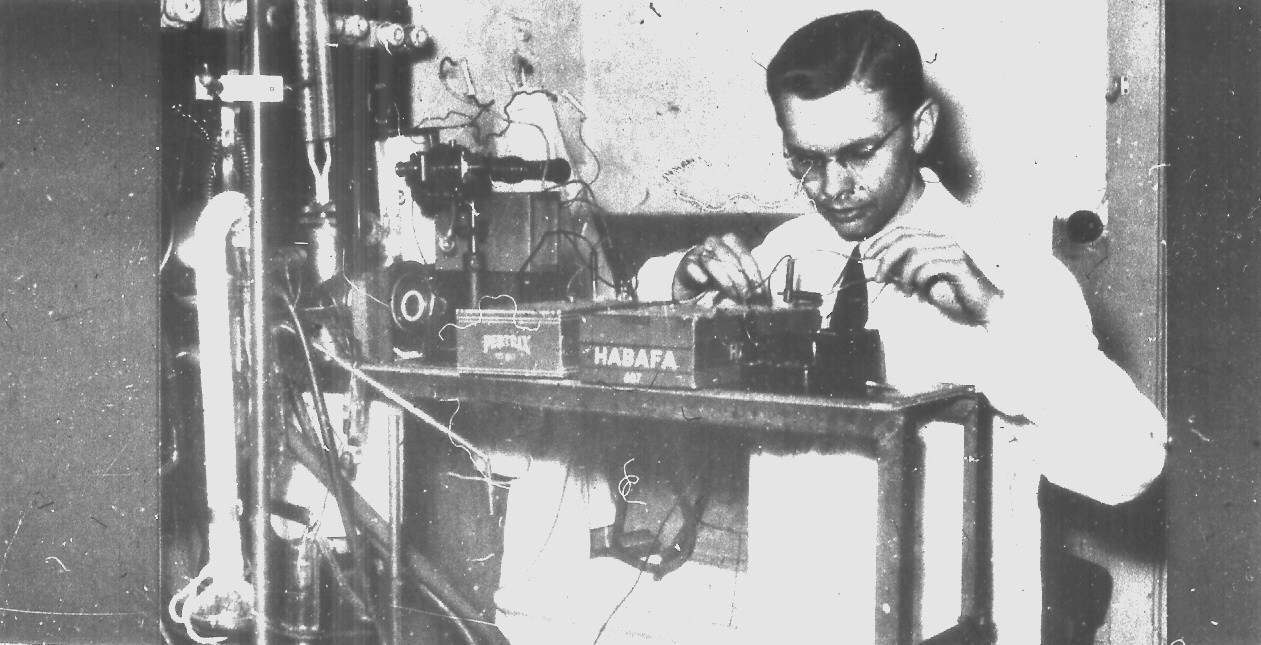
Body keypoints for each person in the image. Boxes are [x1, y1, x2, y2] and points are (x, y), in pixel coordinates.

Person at [635, 10, 1167, 644]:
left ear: (919, 127)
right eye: (805, 160)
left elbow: (1129, 466)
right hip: (795, 620)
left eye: (859, 154)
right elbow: (632, 318)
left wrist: (998, 317)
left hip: (947, 627)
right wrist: (677, 283)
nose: (832, 188)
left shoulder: (1006, 271)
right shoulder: (787, 252)